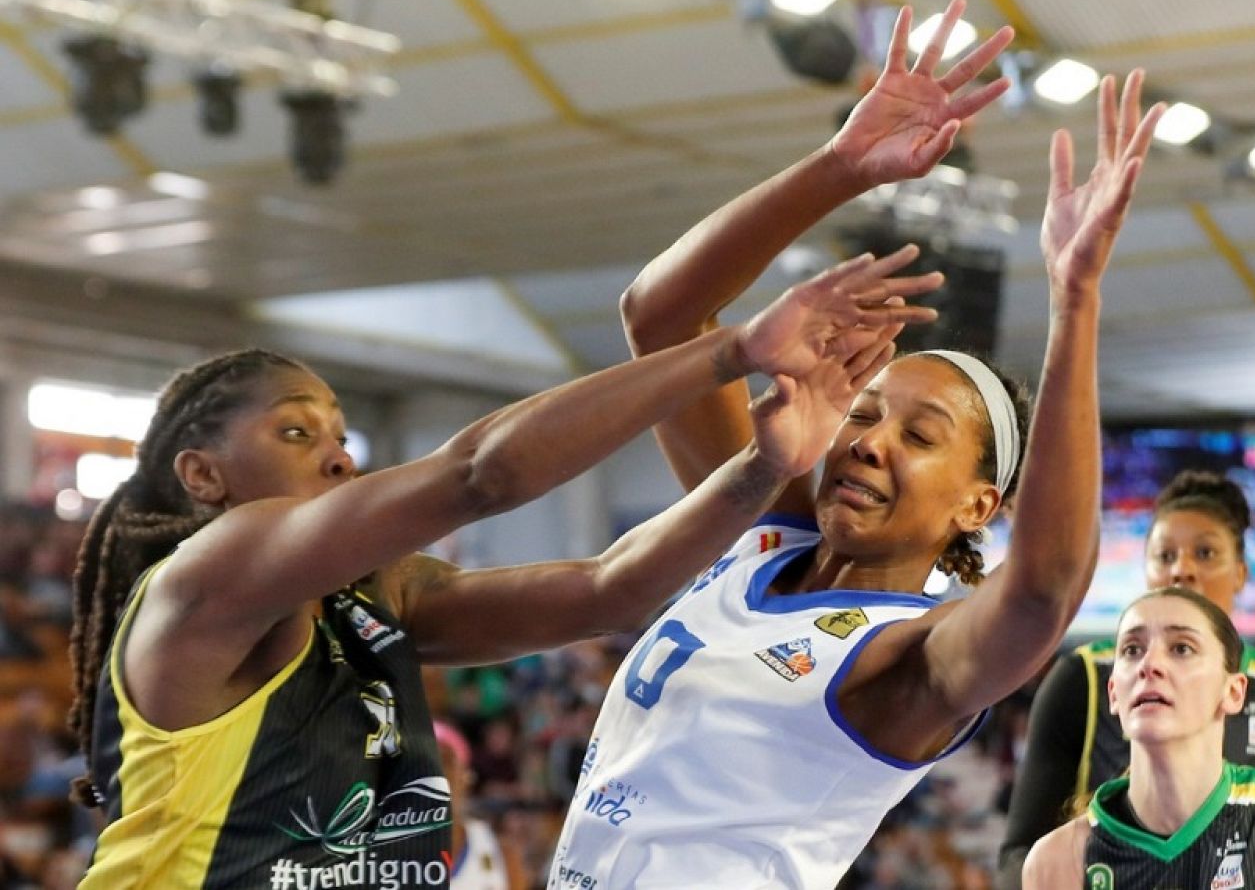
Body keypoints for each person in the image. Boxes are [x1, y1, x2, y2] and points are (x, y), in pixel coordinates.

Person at [69, 251, 929, 889]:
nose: (338, 457)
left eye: (339, 433)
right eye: (296, 432)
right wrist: (730, 352)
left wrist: (763, 467)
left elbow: (609, 590)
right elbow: (479, 475)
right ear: (202, 475)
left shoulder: (376, 594)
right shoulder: (208, 577)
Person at [550, 0, 1166, 887]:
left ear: (978, 505)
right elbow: (659, 316)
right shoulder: (765, 526)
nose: (872, 443)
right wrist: (839, 167)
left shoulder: (908, 657)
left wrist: (1075, 301)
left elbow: (1042, 592)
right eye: (866, 414)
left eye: (919, 435)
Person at [998, 470, 1255, 887]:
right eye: (1165, 555)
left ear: (1241, 573)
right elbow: (1021, 852)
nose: (1182, 570)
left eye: (1205, 553)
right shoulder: (1082, 678)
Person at [1020, 586, 1255, 889]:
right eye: (1132, 649)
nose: (1149, 664)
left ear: (1233, 692)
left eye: (1181, 648)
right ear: (1113, 693)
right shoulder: (1054, 862)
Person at [433, 720, 521, 889]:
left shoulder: (502, 854)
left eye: (445, 761)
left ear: (467, 777)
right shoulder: (384, 859)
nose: (433, 775)